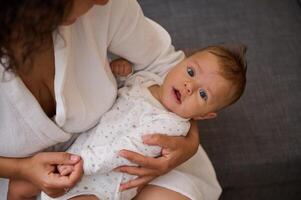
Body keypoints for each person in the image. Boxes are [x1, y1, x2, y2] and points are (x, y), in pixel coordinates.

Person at [0, 0, 208, 200]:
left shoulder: (106, 5)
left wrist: (189, 142)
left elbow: (166, 65)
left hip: (130, 169)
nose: (103, 1)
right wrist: (21, 169)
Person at [38, 44, 247, 200]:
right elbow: (115, 97)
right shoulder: (146, 80)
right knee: (24, 186)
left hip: (103, 182)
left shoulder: (171, 126)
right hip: (78, 154)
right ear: (180, 62)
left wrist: (80, 164)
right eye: (191, 72)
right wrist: (120, 75)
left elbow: (126, 150)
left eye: (203, 94)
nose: (188, 86)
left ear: (203, 116)